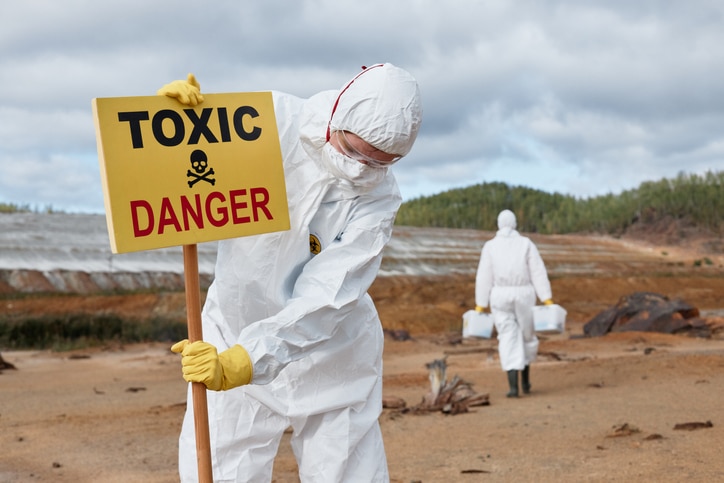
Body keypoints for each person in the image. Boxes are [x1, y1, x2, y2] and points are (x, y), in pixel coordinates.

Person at [160, 64, 422, 482]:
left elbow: (327, 293)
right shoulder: (271, 121)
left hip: (332, 353)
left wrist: (251, 359)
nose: (360, 169)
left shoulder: (380, 199)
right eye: (354, 151)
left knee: (349, 471)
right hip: (233, 327)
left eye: (380, 163)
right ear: (338, 114)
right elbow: (192, 166)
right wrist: (178, 122)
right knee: (222, 469)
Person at [474, 209, 554, 398]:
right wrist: (546, 297)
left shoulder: (490, 246)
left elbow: (484, 275)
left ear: (499, 223)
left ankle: (513, 388)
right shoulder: (526, 244)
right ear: (515, 223)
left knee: (507, 336)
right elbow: (538, 271)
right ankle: (525, 382)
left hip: (499, 295)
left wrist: (480, 303)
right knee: (526, 335)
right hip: (524, 293)